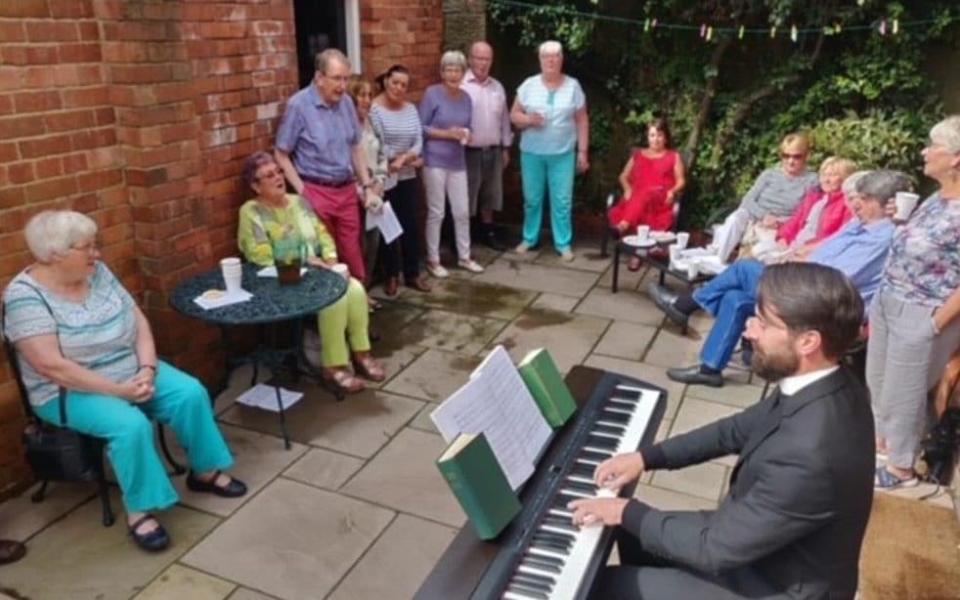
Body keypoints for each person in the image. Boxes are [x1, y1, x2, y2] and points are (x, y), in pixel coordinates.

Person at [570, 262, 874, 600]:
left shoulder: (813, 452)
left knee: (602, 587)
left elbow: (715, 549)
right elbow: (734, 430)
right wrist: (647, 457)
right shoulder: (823, 380)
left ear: (808, 341)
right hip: (762, 548)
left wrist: (624, 511)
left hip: (779, 586)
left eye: (763, 322)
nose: (749, 330)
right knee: (630, 533)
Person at [2, 210, 247, 553]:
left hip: (130, 371)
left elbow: (138, 322)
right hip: (66, 391)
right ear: (55, 254)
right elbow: (51, 367)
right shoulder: (24, 296)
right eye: (86, 248)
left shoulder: (97, 272)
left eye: (95, 245)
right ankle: (140, 511)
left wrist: (147, 368)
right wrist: (119, 391)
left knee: (190, 392)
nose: (97, 254)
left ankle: (204, 472)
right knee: (129, 425)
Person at [650, 170, 909, 387]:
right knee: (736, 298)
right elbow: (823, 251)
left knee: (744, 269)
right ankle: (710, 369)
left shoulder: (885, 237)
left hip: (821, 303)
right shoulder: (861, 224)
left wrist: (795, 266)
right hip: (807, 286)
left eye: (864, 199)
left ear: (885, 204)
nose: (856, 205)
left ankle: (683, 305)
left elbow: (836, 278)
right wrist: (795, 257)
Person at [238, 152, 385, 394]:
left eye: (279, 172)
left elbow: (323, 234)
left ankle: (361, 353)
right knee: (332, 300)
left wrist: (330, 259)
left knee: (356, 289)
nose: (278, 178)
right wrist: (305, 262)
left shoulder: (299, 202)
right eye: (269, 175)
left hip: (317, 270)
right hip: (281, 277)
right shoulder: (251, 212)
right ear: (255, 186)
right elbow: (260, 257)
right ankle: (334, 365)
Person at [870, 116, 960, 489]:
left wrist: (936, 323)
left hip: (923, 312)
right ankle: (880, 449)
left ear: (956, 157)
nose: (924, 151)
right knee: (879, 385)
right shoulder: (937, 198)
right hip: (890, 301)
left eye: (932, 145)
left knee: (904, 395)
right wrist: (899, 224)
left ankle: (900, 469)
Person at [275, 48, 382, 286]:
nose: (343, 86)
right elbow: (281, 154)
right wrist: (303, 191)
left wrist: (366, 186)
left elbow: (356, 147)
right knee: (325, 255)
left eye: (346, 78)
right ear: (319, 77)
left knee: (352, 251)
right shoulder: (299, 106)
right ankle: (330, 311)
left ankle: (357, 300)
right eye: (337, 78)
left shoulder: (346, 104)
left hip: (345, 190)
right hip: (316, 189)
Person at [511, 40, 590, 261]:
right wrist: (528, 119)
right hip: (532, 153)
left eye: (555, 56)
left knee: (562, 200)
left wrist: (583, 151)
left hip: (563, 154)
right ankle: (529, 238)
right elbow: (513, 115)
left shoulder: (573, 86)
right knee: (532, 199)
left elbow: (582, 120)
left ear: (561, 59)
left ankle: (563, 243)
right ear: (540, 60)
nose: (551, 60)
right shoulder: (528, 85)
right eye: (546, 56)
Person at [419, 50, 484, 278]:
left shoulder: (466, 98)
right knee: (437, 211)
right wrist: (449, 134)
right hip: (435, 160)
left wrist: (468, 135)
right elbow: (422, 128)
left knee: (462, 211)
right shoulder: (432, 94)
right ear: (442, 72)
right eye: (449, 69)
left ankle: (465, 256)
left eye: (457, 69)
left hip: (458, 161)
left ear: (463, 72)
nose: (453, 74)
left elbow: (468, 127)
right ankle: (433, 259)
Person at [370, 64, 431, 296]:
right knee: (388, 227)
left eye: (404, 85)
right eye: (395, 82)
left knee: (410, 225)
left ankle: (412, 273)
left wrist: (406, 157)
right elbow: (378, 143)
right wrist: (396, 159)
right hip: (384, 177)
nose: (399, 88)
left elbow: (418, 140)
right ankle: (391, 275)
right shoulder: (375, 109)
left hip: (406, 175)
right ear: (386, 81)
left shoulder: (411, 109)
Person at [711, 133, 818, 263]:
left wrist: (779, 223)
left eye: (797, 156)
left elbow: (805, 213)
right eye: (786, 155)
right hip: (754, 215)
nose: (790, 161)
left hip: (782, 223)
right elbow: (747, 200)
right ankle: (717, 262)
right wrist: (763, 216)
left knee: (767, 248)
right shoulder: (769, 174)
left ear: (806, 156)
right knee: (734, 219)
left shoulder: (812, 181)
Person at [608, 117, 686, 270]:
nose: (655, 139)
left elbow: (681, 181)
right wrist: (627, 188)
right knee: (642, 198)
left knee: (645, 194)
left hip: (659, 200)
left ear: (665, 138)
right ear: (647, 137)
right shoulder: (638, 154)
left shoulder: (673, 156)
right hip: (635, 200)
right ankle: (639, 252)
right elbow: (623, 175)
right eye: (652, 135)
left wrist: (672, 191)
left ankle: (623, 226)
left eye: (659, 135)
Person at [462, 40, 514, 252]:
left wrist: (506, 147)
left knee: (490, 195)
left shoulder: (497, 87)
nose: (483, 63)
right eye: (479, 58)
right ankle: (466, 237)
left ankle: (488, 232)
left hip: (493, 150)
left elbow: (504, 120)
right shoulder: (462, 86)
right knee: (467, 195)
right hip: (468, 152)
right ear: (470, 59)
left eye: (487, 59)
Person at [347, 75, 388, 310]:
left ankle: (366, 290)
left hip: (375, 193)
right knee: (356, 248)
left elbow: (383, 152)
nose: (367, 101)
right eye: (362, 95)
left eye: (370, 96)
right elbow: (344, 163)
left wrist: (380, 180)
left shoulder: (373, 122)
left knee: (373, 245)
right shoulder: (345, 127)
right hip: (354, 196)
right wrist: (361, 189)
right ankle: (356, 296)